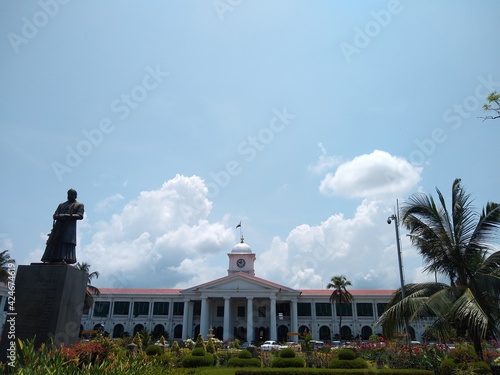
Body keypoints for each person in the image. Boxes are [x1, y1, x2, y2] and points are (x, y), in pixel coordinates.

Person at [41, 188, 84, 264]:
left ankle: (64, 258)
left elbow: (80, 215)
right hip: (58, 227)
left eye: (72, 194)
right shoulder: (61, 205)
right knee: (54, 241)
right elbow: (55, 215)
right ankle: (51, 258)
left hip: (69, 227)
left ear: (75, 196)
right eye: (68, 194)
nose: (70, 196)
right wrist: (58, 216)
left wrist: (66, 215)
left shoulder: (79, 205)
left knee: (65, 241)